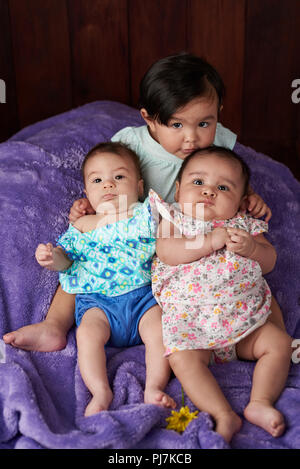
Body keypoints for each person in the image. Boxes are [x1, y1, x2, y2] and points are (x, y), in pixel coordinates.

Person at [3, 52, 284, 354]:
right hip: (137, 231)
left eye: (204, 123)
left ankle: (280, 338)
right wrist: (91, 204)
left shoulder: (220, 141)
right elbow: (110, 174)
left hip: (190, 237)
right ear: (149, 118)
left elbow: (233, 171)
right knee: (85, 260)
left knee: (247, 273)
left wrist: (249, 196)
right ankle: (53, 326)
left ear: (219, 112)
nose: (192, 138)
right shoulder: (131, 143)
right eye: (177, 125)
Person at [150, 146, 292, 443]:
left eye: (223, 187)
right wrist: (210, 241)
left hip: (244, 323)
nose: (209, 192)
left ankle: (260, 402)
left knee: (279, 344)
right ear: (178, 190)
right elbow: (167, 252)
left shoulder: (243, 224)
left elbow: (270, 261)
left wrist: (253, 249)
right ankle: (222, 413)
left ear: (241, 201)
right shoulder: (174, 219)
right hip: (193, 326)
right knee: (181, 359)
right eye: (198, 182)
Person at [34, 142, 175, 416]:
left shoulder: (147, 212)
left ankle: (154, 388)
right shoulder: (81, 226)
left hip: (144, 299)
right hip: (99, 304)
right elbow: (68, 262)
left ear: (139, 186)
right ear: (87, 193)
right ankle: (100, 391)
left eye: (119, 177)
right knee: (87, 334)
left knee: (160, 331)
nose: (108, 185)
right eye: (98, 180)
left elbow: (177, 228)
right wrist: (54, 258)